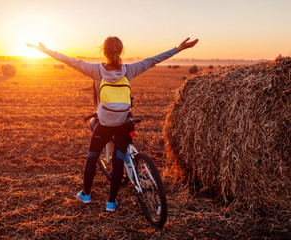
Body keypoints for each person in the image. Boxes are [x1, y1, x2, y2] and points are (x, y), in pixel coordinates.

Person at [27, 36, 198, 211]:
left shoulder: (96, 70)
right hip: (124, 123)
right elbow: (153, 60)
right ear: (122, 51)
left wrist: (46, 51)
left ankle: (86, 194)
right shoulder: (130, 70)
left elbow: (72, 61)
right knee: (117, 163)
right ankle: (111, 202)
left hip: (105, 125)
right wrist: (178, 48)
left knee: (92, 158)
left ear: (104, 51)